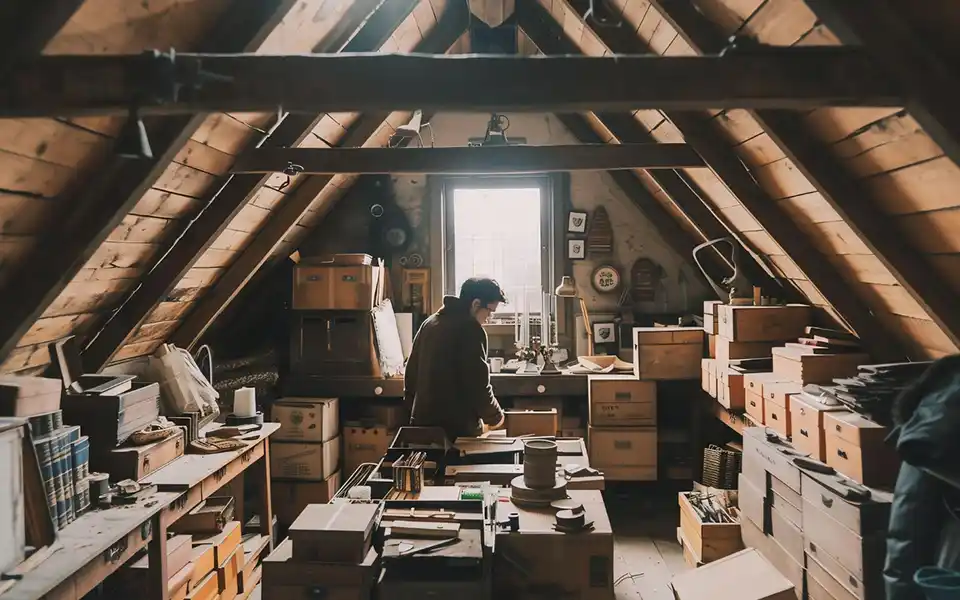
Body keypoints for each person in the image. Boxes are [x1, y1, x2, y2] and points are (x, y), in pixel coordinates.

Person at [403, 277, 506, 440]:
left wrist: (414, 414)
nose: (489, 318)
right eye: (489, 311)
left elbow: (411, 375)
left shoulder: (430, 323)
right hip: (457, 430)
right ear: (476, 304)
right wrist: (495, 417)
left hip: (423, 426)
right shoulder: (471, 329)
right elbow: (477, 384)